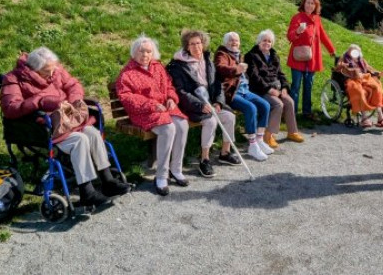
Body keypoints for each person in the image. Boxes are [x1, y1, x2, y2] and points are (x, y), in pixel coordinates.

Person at [0, 47, 130, 206]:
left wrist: (75, 99)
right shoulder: (14, 79)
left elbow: (73, 84)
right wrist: (40, 101)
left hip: (69, 119)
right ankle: (86, 191)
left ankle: (108, 180)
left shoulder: (54, 68)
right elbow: (10, 109)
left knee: (93, 134)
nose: (53, 72)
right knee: (80, 140)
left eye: (54, 68)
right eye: (47, 71)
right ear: (35, 69)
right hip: (46, 127)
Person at [115, 35, 189, 196]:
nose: (145, 55)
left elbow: (169, 85)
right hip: (143, 112)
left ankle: (176, 169)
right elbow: (127, 98)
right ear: (134, 53)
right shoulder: (127, 73)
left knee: (182, 124)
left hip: (164, 108)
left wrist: (171, 98)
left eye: (149, 51)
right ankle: (161, 176)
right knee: (168, 129)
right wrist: (152, 105)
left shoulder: (157, 66)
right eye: (141, 51)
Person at [167, 30, 241, 178]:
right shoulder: (177, 65)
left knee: (229, 117)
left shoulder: (207, 60)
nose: (196, 47)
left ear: (203, 44)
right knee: (211, 121)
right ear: (187, 47)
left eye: (198, 43)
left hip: (211, 103)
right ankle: (204, 160)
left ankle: (224, 153)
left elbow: (217, 84)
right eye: (192, 44)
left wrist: (218, 102)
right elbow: (181, 92)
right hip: (191, 106)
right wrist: (200, 105)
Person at [214, 32, 274, 161]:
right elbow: (220, 67)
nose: (234, 42)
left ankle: (259, 139)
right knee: (251, 108)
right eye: (231, 40)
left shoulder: (238, 54)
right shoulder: (222, 54)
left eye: (236, 40)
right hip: (231, 92)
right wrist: (236, 69)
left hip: (245, 90)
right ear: (225, 43)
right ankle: (252, 145)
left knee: (265, 105)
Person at [245, 29, 304, 145]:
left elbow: (281, 74)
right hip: (260, 89)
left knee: (290, 101)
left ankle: (292, 132)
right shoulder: (251, 56)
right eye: (264, 40)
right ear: (259, 41)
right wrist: (269, 89)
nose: (267, 43)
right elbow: (254, 77)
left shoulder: (274, 55)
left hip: (275, 88)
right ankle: (268, 135)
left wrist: (285, 88)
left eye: (269, 41)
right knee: (278, 104)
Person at [286, 0, 336, 120]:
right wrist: (298, 31)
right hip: (298, 58)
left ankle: (306, 112)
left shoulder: (317, 19)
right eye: (308, 2)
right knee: (296, 86)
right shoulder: (297, 18)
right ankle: (292, 113)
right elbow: (290, 37)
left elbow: (323, 36)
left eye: (312, 3)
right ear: (303, 4)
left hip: (311, 59)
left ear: (316, 6)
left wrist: (331, 50)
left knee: (308, 85)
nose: (310, 5)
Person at [336, 44, 383, 128]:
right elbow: (338, 68)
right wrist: (345, 66)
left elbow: (370, 69)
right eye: (351, 50)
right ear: (348, 51)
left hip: (364, 79)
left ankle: (380, 117)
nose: (354, 53)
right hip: (351, 80)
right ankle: (364, 118)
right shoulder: (343, 58)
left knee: (376, 88)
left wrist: (380, 73)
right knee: (359, 91)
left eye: (356, 51)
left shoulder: (362, 60)